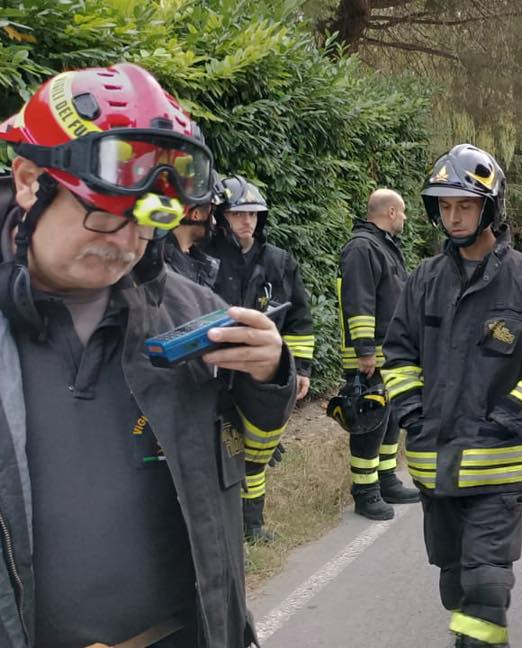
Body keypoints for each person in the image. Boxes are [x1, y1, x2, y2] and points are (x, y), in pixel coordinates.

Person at [0, 63, 296, 647]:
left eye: (144, 222)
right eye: (104, 213)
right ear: (31, 180)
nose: (124, 245)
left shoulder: (191, 310)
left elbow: (247, 454)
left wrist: (268, 375)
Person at [382, 144, 522, 648]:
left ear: (490, 208)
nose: (454, 216)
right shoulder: (423, 279)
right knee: (455, 583)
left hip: (496, 466)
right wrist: (412, 416)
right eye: (444, 206)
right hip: (434, 465)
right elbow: (398, 354)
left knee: (486, 584)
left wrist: (505, 419)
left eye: (465, 205)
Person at [206, 174, 315, 542]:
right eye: (238, 213)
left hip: (261, 371)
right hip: (214, 371)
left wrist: (301, 369)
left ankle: (252, 524)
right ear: (223, 216)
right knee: (216, 446)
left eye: (253, 213)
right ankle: (221, 523)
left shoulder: (279, 261)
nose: (246, 221)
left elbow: (299, 316)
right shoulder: (205, 257)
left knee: (257, 450)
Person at [336, 188, 420, 520]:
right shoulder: (362, 248)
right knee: (369, 423)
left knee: (390, 421)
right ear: (389, 213)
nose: (405, 218)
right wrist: (365, 352)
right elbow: (359, 303)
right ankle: (365, 492)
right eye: (402, 212)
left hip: (391, 353)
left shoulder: (382, 246)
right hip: (370, 358)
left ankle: (386, 480)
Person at [160, 170, 222, 288]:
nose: (214, 221)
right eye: (211, 212)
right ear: (196, 215)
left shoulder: (192, 261)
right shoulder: (166, 269)